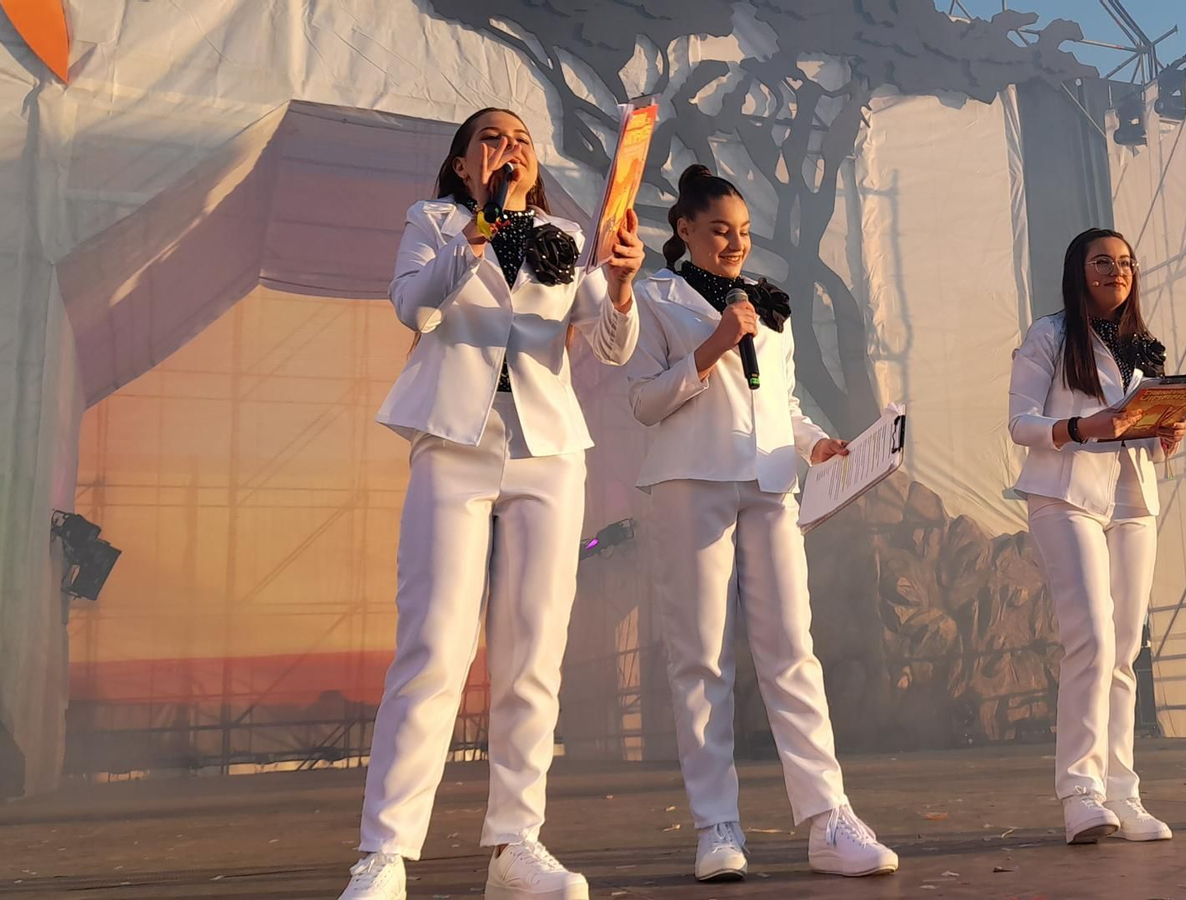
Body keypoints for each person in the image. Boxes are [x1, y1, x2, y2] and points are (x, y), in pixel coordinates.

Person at [339, 107, 646, 900]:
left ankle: (517, 844)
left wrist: (618, 285)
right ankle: (385, 854)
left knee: (534, 652)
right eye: (491, 140)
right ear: (464, 165)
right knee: (435, 646)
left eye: (521, 142)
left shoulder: (565, 240)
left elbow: (610, 347)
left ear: (535, 168)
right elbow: (417, 307)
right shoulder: (435, 222)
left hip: (548, 452)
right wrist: (479, 230)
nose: (508, 150)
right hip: (454, 443)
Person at [623, 164, 899, 882]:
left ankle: (828, 819)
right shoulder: (654, 299)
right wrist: (713, 344)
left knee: (791, 650)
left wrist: (818, 445)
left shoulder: (764, 303)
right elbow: (646, 403)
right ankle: (717, 827)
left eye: (743, 232)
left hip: (771, 484)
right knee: (701, 659)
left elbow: (781, 399)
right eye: (719, 230)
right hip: (692, 483)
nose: (734, 243)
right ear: (684, 230)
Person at [1006, 228, 1186, 844]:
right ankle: (1080, 792)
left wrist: (1164, 435)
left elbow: (1142, 431)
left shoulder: (1144, 346)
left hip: (1133, 499)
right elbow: (1021, 424)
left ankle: (1122, 790)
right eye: (1102, 262)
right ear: (1077, 270)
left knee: (1125, 651)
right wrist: (1085, 426)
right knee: (1090, 638)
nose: (1116, 271)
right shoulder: (1049, 335)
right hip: (1065, 495)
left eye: (1126, 263)